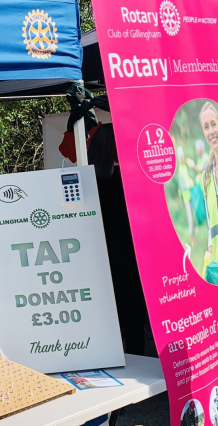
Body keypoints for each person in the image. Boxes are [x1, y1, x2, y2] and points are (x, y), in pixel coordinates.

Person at [87, 124, 147, 355]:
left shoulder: (87, 182)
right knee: (132, 322)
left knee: (108, 321)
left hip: (98, 260)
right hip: (129, 260)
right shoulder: (128, 180)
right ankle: (138, 363)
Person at [197, 101, 218, 283]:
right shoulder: (207, 175)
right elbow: (211, 222)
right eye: (206, 127)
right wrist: (210, 248)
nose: (211, 131)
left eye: (214, 124)